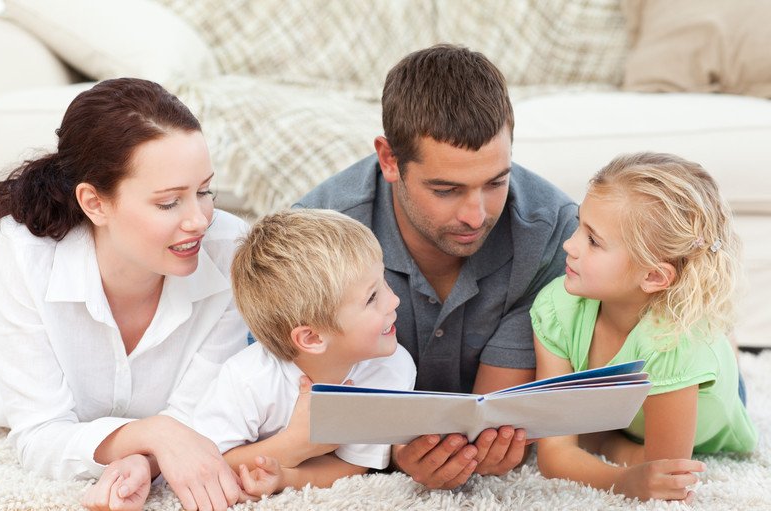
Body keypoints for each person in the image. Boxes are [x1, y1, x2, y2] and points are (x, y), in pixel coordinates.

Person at [294, 44, 578, 488]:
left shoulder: (552, 231)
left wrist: (495, 445)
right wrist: (390, 450)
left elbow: (497, 413)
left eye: (496, 182)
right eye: (446, 189)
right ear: (390, 159)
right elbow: (275, 383)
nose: (476, 214)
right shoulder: (316, 233)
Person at [0, 78, 252, 511]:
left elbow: (197, 416)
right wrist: (155, 433)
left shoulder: (230, 249)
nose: (199, 220)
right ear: (95, 203)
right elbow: (40, 433)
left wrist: (142, 460)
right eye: (168, 202)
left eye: (204, 191)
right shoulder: (25, 252)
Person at [90, 209, 417, 502]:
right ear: (312, 337)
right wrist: (294, 443)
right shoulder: (248, 379)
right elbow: (208, 458)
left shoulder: (392, 368)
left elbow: (352, 466)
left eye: (383, 282)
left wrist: (287, 478)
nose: (394, 301)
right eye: (372, 298)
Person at [530, 152, 758, 503]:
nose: (569, 245)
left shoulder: (675, 343)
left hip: (707, 406)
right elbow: (553, 454)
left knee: (713, 354)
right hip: (628, 408)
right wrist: (623, 479)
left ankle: (724, 344)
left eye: (593, 240)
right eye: (579, 224)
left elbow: (664, 471)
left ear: (653, 275)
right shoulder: (556, 308)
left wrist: (604, 442)